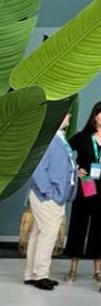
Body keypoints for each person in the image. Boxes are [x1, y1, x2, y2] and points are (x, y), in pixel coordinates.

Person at [25, 112, 77, 290]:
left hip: (53, 196)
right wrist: (50, 192)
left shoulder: (58, 138)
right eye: (66, 115)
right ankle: (41, 275)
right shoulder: (49, 140)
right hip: (48, 197)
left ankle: (32, 274)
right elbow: (38, 168)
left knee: (39, 234)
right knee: (48, 235)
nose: (69, 117)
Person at [65, 102, 101, 282]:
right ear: (94, 116)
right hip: (87, 184)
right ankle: (73, 268)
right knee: (79, 224)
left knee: (99, 229)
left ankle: (98, 270)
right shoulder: (82, 137)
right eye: (100, 113)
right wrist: (76, 169)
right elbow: (65, 152)